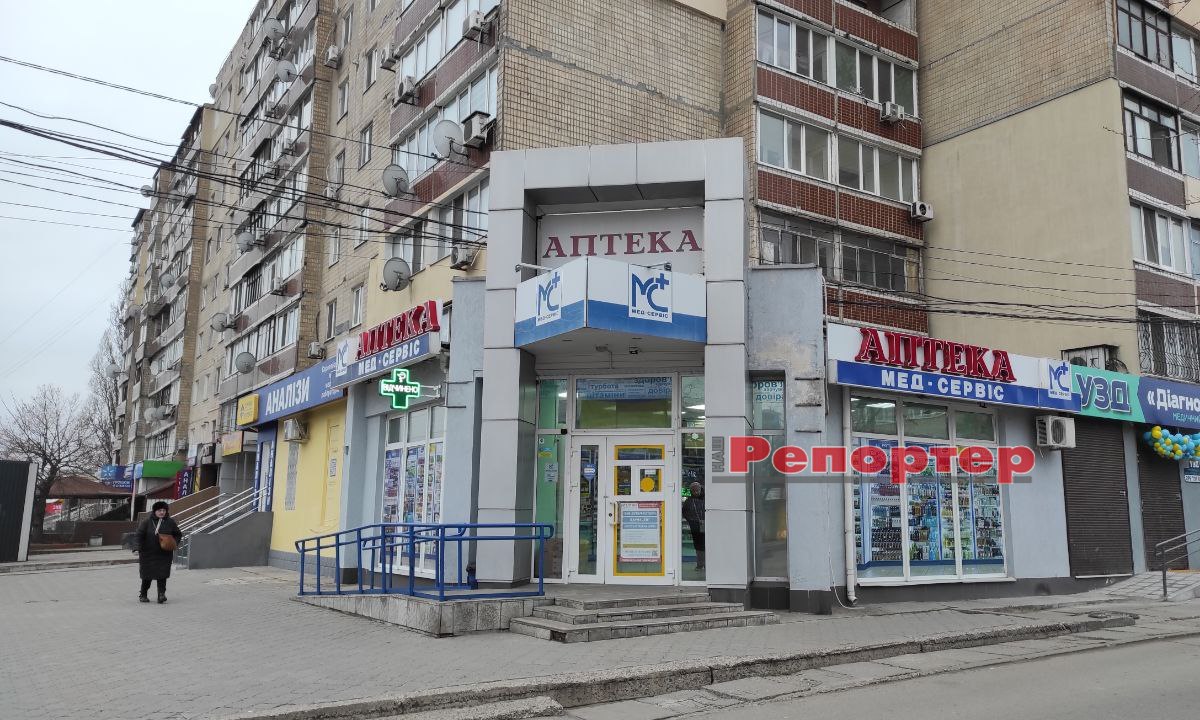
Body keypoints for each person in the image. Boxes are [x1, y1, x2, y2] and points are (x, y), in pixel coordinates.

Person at [133, 501, 182, 604]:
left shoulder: (170, 522)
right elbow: (139, 535)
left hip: (164, 554)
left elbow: (178, 534)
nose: (162, 512)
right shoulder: (147, 522)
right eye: (159, 510)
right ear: (155, 511)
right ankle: (143, 594)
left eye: (164, 510)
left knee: (162, 575)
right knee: (147, 576)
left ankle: (161, 595)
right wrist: (137, 548)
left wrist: (174, 543)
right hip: (148, 554)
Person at [682, 482, 705, 570]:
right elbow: (684, 513)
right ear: (691, 491)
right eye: (693, 491)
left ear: (700, 489)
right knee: (698, 546)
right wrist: (691, 521)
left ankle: (709, 564)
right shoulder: (688, 501)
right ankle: (700, 565)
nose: (696, 492)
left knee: (709, 544)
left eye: (697, 490)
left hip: (708, 524)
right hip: (695, 526)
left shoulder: (707, 498)